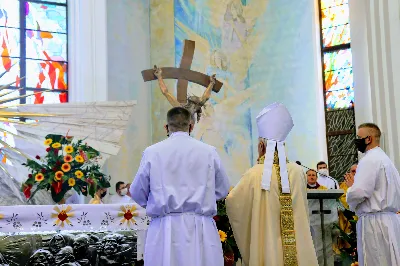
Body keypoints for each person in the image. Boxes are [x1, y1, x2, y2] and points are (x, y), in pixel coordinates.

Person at [130, 106, 230, 266]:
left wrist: (156, 203)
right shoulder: (209, 152)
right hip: (201, 228)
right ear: (191, 126)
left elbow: (137, 191)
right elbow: (223, 189)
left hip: (164, 228)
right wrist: (204, 198)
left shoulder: (152, 152)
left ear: (166, 128)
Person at [225, 102, 318, 266]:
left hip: (267, 248)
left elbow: (233, 203)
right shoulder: (297, 172)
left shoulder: (254, 173)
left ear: (261, 146)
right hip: (297, 248)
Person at [345, 123, 400, 265]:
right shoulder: (386, 160)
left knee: (376, 260)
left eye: (359, 137)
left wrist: (351, 188)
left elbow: (359, 192)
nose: (357, 141)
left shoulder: (368, 160)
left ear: (368, 139)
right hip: (389, 221)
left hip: (374, 223)